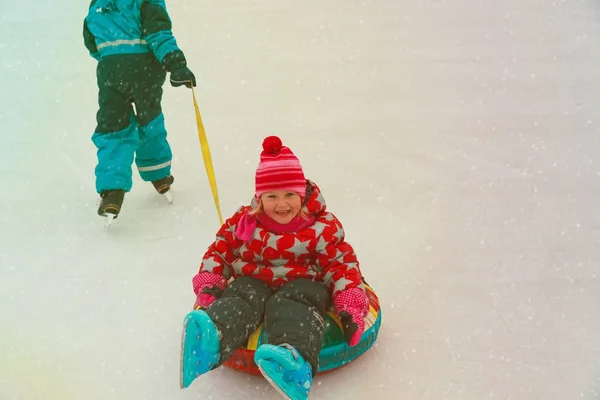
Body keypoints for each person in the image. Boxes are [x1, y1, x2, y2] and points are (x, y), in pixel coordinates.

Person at [180, 136, 370, 400]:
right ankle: (212, 340)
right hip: (256, 282)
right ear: (260, 197)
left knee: (293, 304)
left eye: (290, 194)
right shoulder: (246, 222)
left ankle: (293, 361)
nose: (282, 204)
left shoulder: (321, 227)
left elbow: (341, 264)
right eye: (272, 196)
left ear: (302, 194)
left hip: (304, 284)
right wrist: (210, 281)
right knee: (243, 294)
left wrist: (349, 305)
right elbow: (221, 249)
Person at [83, 0, 196, 221]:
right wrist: (176, 65)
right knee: (149, 121)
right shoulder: (147, 2)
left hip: (111, 71)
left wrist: (113, 58)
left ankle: (112, 190)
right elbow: (159, 34)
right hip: (145, 70)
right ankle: (159, 175)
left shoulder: (97, 4)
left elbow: (91, 41)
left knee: (113, 127)